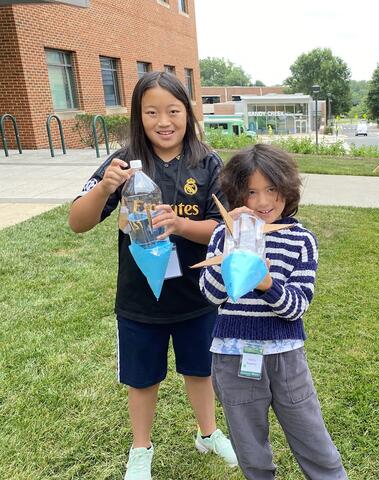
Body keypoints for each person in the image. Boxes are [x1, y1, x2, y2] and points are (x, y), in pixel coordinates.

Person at [68, 72, 237, 480]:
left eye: (173, 110)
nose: (164, 121)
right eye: (152, 112)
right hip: (140, 298)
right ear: (137, 116)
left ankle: (208, 433)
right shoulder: (122, 164)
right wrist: (104, 188)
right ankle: (140, 449)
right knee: (142, 379)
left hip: (197, 295)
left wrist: (179, 226)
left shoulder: (207, 161)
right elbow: (78, 221)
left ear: (188, 112)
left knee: (201, 370)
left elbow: (226, 226)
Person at [199, 144, 347, 480]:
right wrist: (233, 246)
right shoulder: (225, 233)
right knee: (250, 448)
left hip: (286, 358)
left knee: (313, 438)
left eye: (271, 190)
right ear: (237, 194)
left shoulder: (301, 240)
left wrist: (267, 285)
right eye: (251, 192)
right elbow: (210, 294)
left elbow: (296, 306)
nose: (263, 202)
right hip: (233, 357)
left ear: (287, 190)